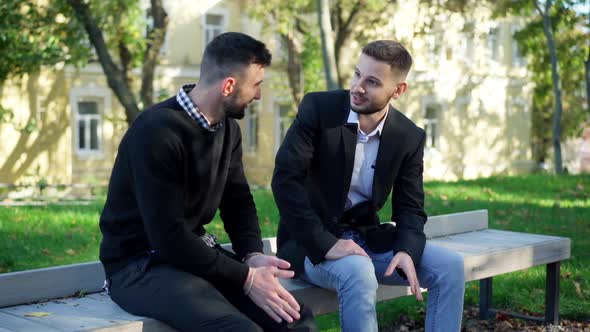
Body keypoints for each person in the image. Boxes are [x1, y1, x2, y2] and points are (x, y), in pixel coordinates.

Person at [99, 32, 316, 332]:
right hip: (139, 267)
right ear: (228, 85)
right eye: (256, 85)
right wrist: (246, 278)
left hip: (192, 257)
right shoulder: (156, 133)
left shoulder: (228, 130)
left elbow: (237, 202)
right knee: (236, 329)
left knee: (295, 318)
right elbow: (168, 236)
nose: (258, 96)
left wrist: (252, 256)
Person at [272, 40, 465, 332]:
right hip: (312, 244)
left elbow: (411, 207)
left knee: (450, 267)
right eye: (356, 74)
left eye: (372, 81)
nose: (358, 87)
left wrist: (407, 251)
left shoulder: (408, 136)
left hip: (368, 240)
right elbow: (285, 182)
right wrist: (328, 244)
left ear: (398, 90)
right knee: (359, 272)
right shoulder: (319, 109)